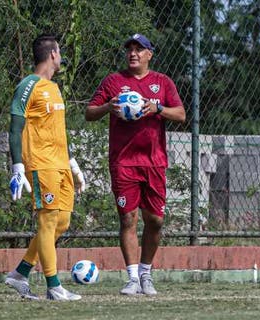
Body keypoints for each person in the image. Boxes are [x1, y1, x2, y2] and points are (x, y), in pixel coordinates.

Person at [85, 33, 186, 295]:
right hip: (123, 162)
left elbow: (181, 114)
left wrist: (157, 109)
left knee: (155, 221)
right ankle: (132, 278)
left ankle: (145, 273)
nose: (133, 53)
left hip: (153, 163)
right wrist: (109, 106)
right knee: (128, 218)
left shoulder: (162, 82)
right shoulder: (114, 81)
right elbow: (89, 112)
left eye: (139, 49)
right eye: (129, 49)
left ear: (149, 54)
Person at [5, 34, 86, 301]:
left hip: (61, 164)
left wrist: (72, 163)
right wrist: (17, 166)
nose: (61, 57)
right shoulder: (29, 85)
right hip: (41, 164)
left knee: (61, 222)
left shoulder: (54, 88)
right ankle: (54, 287)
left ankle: (20, 274)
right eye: (60, 52)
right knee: (48, 221)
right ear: (53, 54)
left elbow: (58, 131)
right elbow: (15, 128)